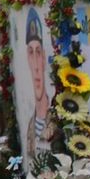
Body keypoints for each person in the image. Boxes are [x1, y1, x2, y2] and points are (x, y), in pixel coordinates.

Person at [22, 9, 54, 156]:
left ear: (44, 58)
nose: (35, 66)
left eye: (38, 52)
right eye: (30, 53)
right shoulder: (31, 125)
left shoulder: (56, 118)